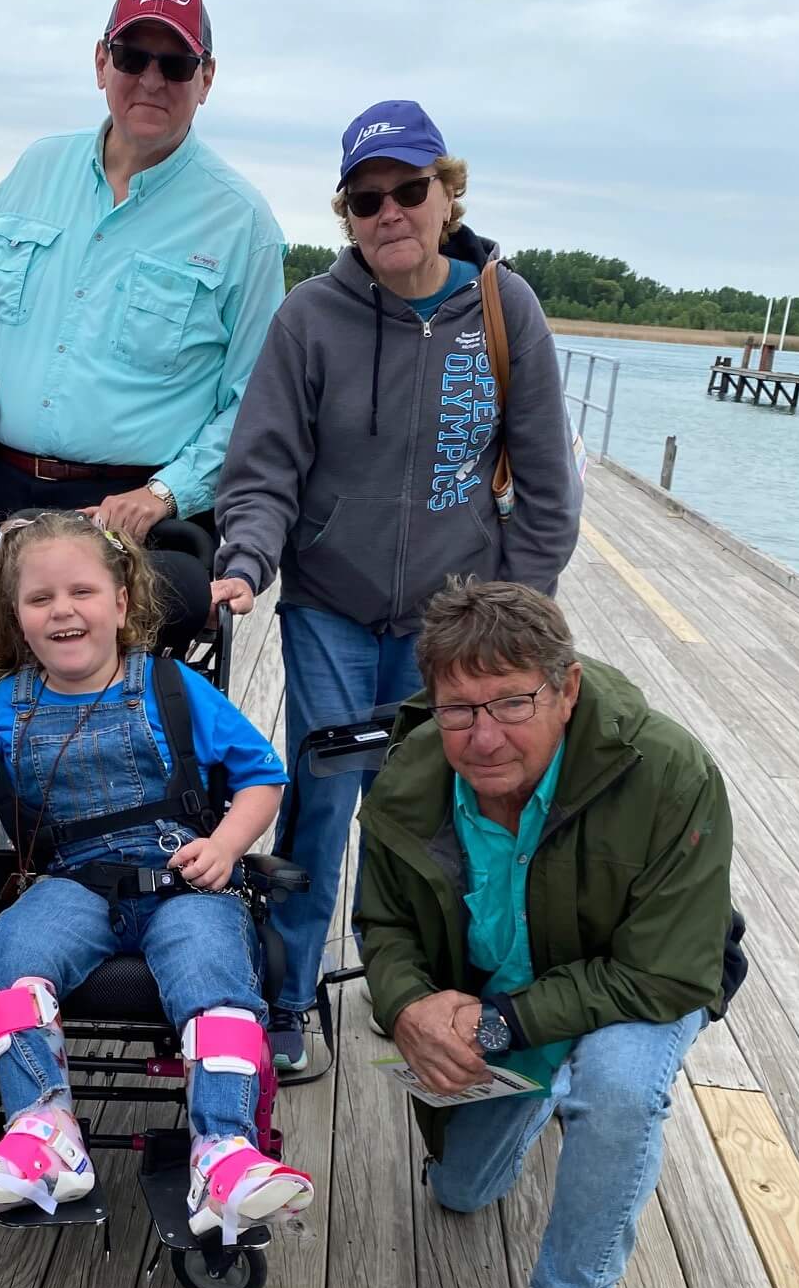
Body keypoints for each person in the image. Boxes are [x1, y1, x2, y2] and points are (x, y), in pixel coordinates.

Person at [214, 100, 583, 1070]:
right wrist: (247, 560)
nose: (389, 213)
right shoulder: (310, 317)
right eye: (366, 199)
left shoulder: (508, 311)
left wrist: (520, 606)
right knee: (323, 802)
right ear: (348, 213)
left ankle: (447, 1003)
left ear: (446, 193)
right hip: (330, 610)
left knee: (448, 811)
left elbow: (548, 482)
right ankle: (287, 1008)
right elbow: (263, 468)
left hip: (455, 629)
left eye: (408, 191)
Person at [355, 579, 746, 1288]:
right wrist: (414, 1005)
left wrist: (505, 1025)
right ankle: (538, 1094)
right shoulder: (403, 785)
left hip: (633, 983)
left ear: (566, 690)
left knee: (617, 1086)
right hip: (500, 990)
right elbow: (382, 925)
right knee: (460, 1194)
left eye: (513, 702)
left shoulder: (670, 770)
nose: (483, 735)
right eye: (459, 710)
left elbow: (672, 973)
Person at [0, 509, 314, 1237]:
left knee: (212, 972)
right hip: (72, 884)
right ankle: (45, 1131)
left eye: (80, 592)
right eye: (40, 600)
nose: (62, 611)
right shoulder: (2, 713)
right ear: (17, 618)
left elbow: (261, 775)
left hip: (183, 878)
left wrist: (229, 845)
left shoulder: (172, 688)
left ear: (120, 603)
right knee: (8, 960)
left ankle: (223, 1149)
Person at [0, 0, 284, 543]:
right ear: (102, 61)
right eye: (133, 56)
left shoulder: (244, 224)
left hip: (129, 517)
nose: (152, 79)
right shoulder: (34, 169)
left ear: (206, 79)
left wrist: (166, 493)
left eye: (175, 64)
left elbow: (254, 400)